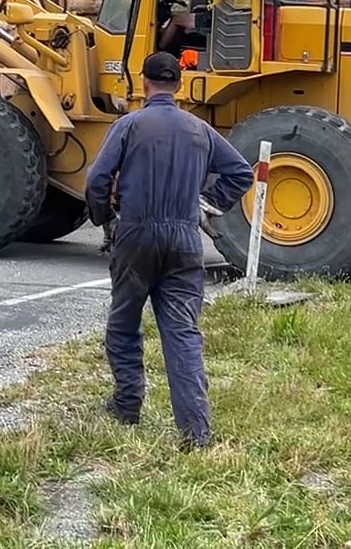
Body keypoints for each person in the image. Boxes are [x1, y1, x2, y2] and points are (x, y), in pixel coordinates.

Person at [84, 50, 254, 449]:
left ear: (144, 83)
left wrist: (102, 216)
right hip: (184, 238)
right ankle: (195, 431)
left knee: (124, 325)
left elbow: (97, 179)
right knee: (182, 333)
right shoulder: (200, 130)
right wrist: (208, 203)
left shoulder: (129, 125)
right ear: (179, 84)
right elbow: (241, 173)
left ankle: (127, 405)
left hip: (137, 234)